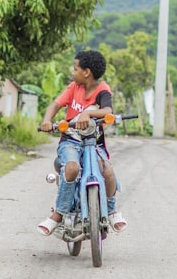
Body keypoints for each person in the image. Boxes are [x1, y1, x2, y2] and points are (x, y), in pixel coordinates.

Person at [36, 50, 127, 236]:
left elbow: (107, 110)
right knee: (71, 168)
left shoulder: (103, 89)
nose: (72, 72)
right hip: (70, 141)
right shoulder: (73, 88)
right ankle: (58, 215)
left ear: (86, 72)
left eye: (75, 68)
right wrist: (47, 120)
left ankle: (110, 211)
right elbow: (55, 105)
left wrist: (88, 113)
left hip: (94, 142)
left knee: (108, 172)